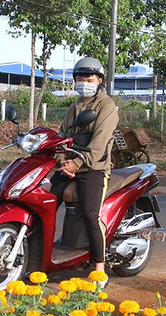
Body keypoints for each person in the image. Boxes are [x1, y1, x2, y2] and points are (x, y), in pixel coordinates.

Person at [49, 57, 119, 285]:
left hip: (93, 167)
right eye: (80, 79)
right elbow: (61, 137)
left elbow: (99, 142)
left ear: (99, 81)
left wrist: (77, 164)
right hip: (69, 166)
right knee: (46, 204)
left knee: (91, 215)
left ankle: (99, 270)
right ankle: (40, 257)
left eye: (89, 80)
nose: (84, 83)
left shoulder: (106, 106)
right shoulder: (74, 108)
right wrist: (62, 161)